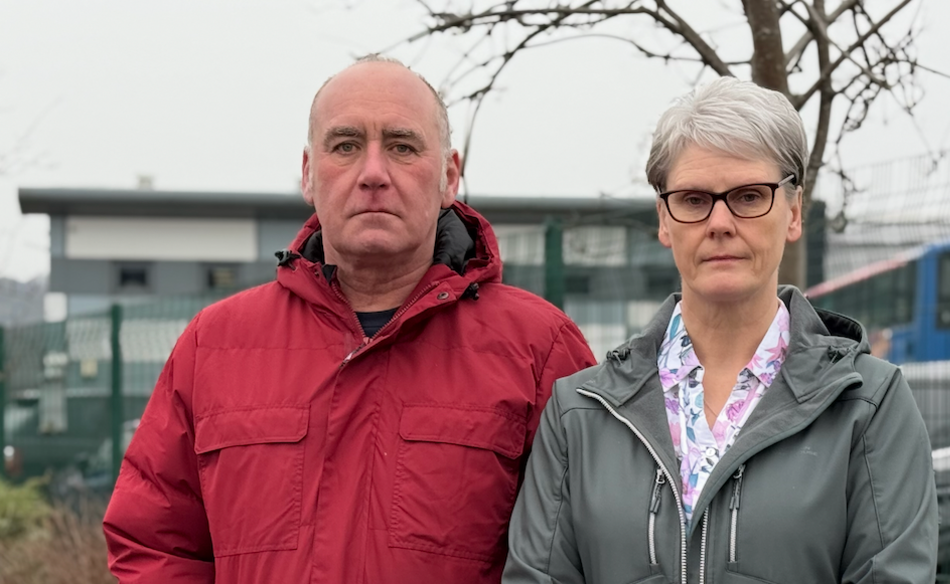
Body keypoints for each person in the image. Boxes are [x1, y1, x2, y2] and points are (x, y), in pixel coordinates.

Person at [102, 55, 595, 584]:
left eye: (403, 147)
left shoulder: (540, 349)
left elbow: (587, 551)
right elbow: (154, 545)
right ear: (309, 174)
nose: (374, 174)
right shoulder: (214, 346)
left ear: (449, 176)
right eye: (346, 146)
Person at [504, 77, 938, 584]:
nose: (720, 222)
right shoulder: (578, 413)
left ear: (794, 212)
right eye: (692, 200)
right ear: (664, 220)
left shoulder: (870, 405)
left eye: (749, 196)